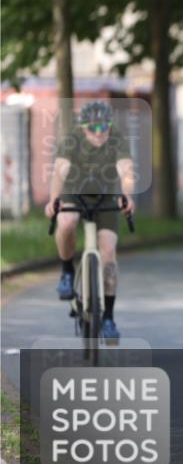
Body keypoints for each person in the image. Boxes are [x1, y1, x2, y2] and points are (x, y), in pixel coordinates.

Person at [45, 101, 135, 342]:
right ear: (83, 127)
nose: (98, 133)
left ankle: (108, 317)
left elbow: (126, 170)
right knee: (66, 222)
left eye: (103, 128)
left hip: (106, 195)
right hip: (74, 191)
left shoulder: (116, 138)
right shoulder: (72, 139)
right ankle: (66, 270)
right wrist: (54, 200)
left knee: (108, 255)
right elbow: (60, 170)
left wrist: (127, 195)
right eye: (92, 128)